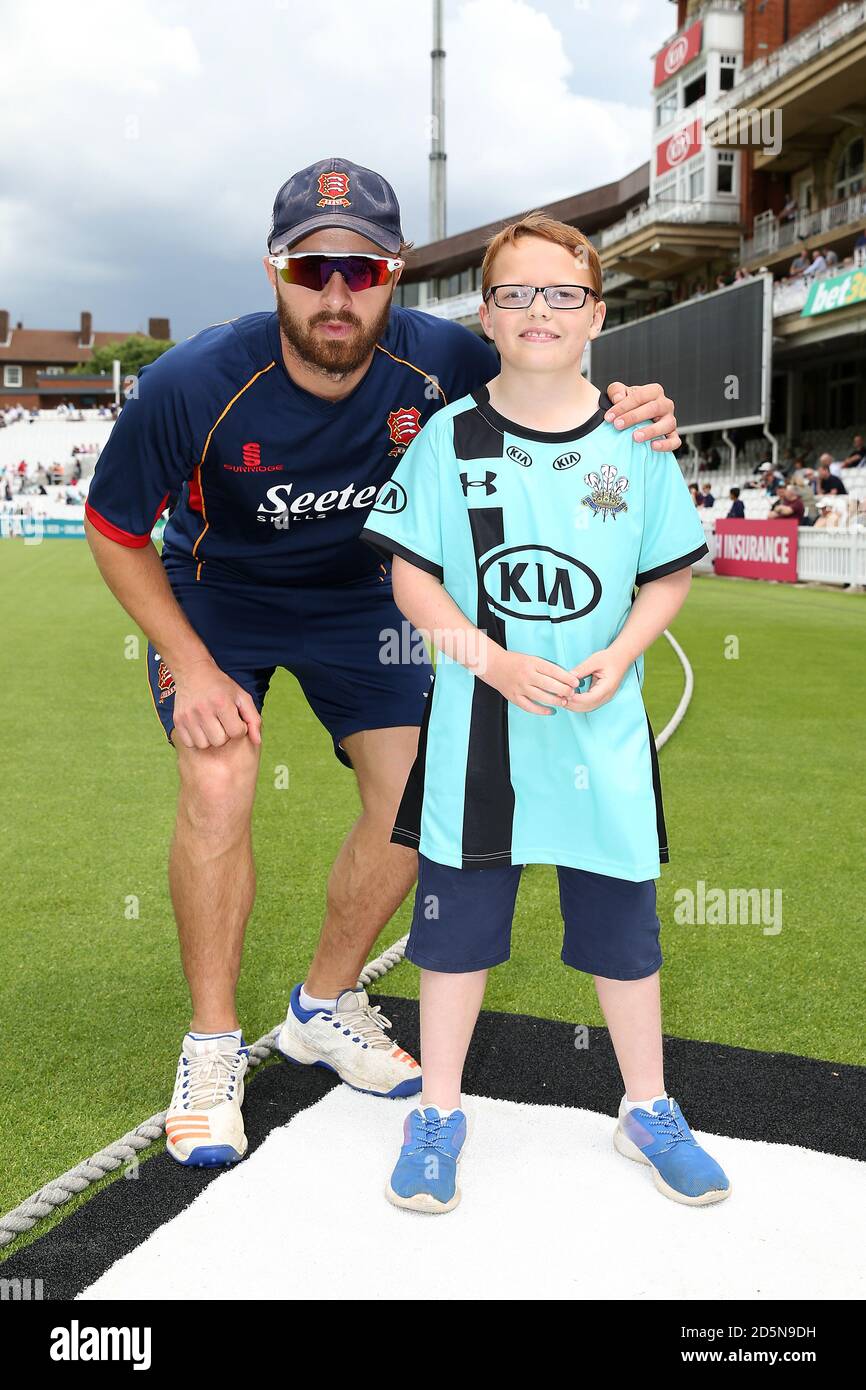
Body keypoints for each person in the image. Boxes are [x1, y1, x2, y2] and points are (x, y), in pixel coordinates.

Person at [84, 159, 685, 1169]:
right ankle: (212, 1046)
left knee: (419, 792)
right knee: (222, 770)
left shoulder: (443, 356)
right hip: (217, 596)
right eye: (310, 267)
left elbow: (548, 369)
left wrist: (633, 403)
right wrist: (188, 664)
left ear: (395, 272)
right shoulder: (193, 381)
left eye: (359, 272)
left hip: (368, 597)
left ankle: (321, 1003)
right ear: (273, 268)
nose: (333, 293)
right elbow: (111, 528)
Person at [360, 211, 729, 1212]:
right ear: (484, 314)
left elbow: (666, 577)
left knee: (623, 932)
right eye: (514, 292)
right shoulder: (447, 438)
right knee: (452, 937)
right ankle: (436, 1111)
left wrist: (618, 652)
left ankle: (646, 1107)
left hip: (597, 733)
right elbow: (410, 580)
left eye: (560, 293)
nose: (537, 310)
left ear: (595, 314)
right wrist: (486, 659)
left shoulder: (635, 438)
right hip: (481, 739)